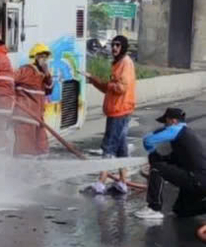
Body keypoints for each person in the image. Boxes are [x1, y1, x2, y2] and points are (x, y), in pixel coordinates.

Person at [84, 34, 136, 194]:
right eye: (113, 44)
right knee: (120, 149)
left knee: (108, 147)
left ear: (124, 48)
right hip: (118, 110)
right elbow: (109, 88)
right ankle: (122, 182)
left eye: (118, 45)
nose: (114, 48)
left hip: (119, 111)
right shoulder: (119, 63)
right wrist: (93, 79)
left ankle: (101, 182)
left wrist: (110, 83)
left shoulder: (125, 63)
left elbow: (121, 87)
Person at [134, 108, 206, 219]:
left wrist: (153, 153)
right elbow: (175, 158)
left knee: (157, 168)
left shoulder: (177, 130)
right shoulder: (188, 135)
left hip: (196, 179)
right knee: (181, 210)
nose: (164, 126)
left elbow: (148, 140)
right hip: (200, 181)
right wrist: (162, 158)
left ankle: (154, 209)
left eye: (165, 122)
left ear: (173, 121)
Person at [12, 43, 54, 157]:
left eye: (46, 57)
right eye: (42, 56)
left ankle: (39, 172)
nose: (45, 60)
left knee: (42, 149)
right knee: (25, 151)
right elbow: (10, 80)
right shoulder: (26, 70)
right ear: (35, 57)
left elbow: (49, 90)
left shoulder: (43, 76)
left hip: (38, 118)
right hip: (25, 117)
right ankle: (22, 172)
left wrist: (47, 74)